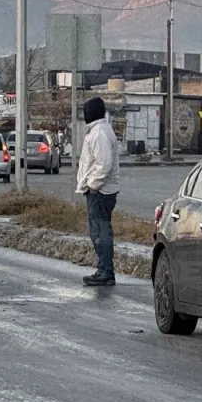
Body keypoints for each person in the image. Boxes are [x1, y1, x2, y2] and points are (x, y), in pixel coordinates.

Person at [76, 96, 121, 286]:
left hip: (101, 192)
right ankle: (103, 269)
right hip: (100, 190)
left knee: (101, 232)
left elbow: (104, 164)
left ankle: (105, 271)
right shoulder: (99, 130)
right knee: (99, 231)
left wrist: (93, 186)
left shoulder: (99, 133)